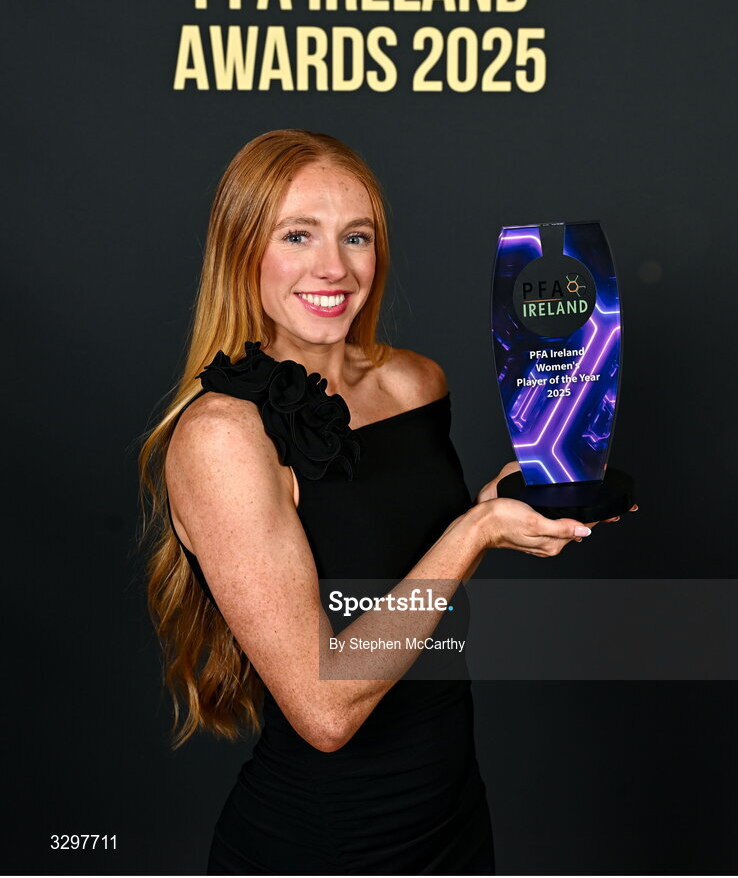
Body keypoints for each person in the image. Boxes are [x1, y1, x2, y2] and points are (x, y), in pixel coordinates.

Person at [138, 129, 635, 875]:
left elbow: (399, 562)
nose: (332, 267)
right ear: (242, 251)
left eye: (356, 236)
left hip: (455, 825)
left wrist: (507, 500)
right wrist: (473, 533)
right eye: (297, 235)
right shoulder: (222, 438)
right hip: (324, 844)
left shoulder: (415, 384)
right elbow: (325, 708)